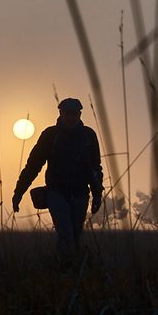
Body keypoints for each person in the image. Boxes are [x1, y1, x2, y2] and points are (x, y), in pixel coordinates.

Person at [11, 98, 103, 258]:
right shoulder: (49, 135)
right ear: (61, 113)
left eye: (74, 114)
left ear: (79, 114)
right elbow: (33, 166)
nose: (70, 117)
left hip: (81, 194)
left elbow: (95, 168)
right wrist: (18, 192)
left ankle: (70, 269)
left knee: (74, 235)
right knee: (65, 233)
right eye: (67, 113)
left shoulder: (89, 136)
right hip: (56, 194)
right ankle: (65, 268)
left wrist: (97, 195)